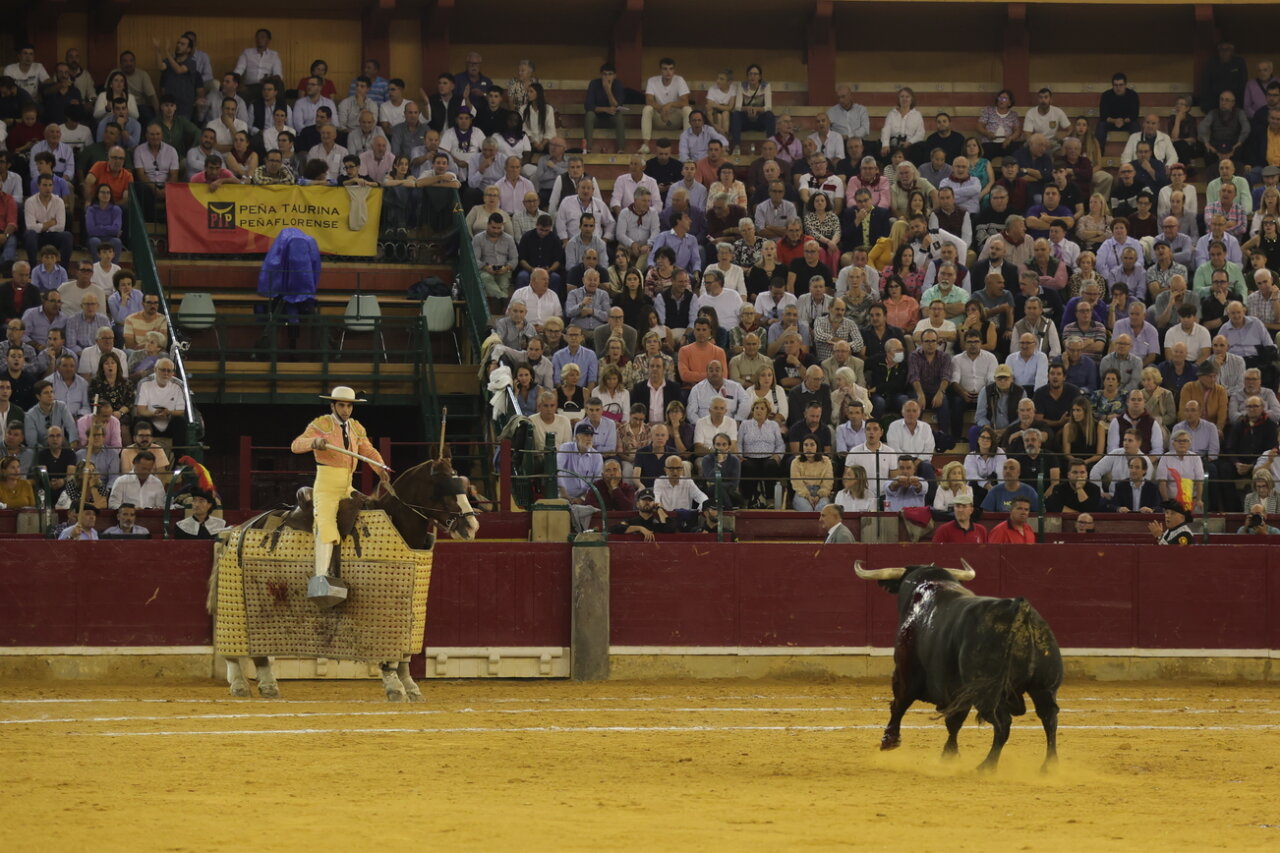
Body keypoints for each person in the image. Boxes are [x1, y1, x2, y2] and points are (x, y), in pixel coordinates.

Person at [289, 386, 389, 578]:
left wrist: (381, 468)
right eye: (341, 405)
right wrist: (313, 443)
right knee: (326, 527)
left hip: (347, 485)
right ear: (332, 405)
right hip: (326, 487)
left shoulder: (357, 427)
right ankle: (320, 577)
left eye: (349, 406)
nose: (345, 410)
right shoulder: (321, 425)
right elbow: (296, 445)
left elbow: (368, 451)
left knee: (371, 511)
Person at [609, 488, 676, 540]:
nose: (647, 502)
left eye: (650, 500)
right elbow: (614, 529)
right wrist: (640, 528)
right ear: (637, 504)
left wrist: (659, 509)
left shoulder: (657, 523)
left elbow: (671, 528)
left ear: (654, 503)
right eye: (644, 500)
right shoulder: (633, 521)